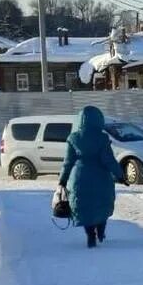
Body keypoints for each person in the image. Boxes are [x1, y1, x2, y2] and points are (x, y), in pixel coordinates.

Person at [58, 105, 126, 248]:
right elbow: (109, 160)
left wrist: (63, 180)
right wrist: (120, 176)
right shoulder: (102, 138)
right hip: (101, 179)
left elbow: (67, 162)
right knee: (101, 206)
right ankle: (100, 231)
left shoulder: (73, 138)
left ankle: (90, 235)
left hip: (79, 180)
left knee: (85, 208)